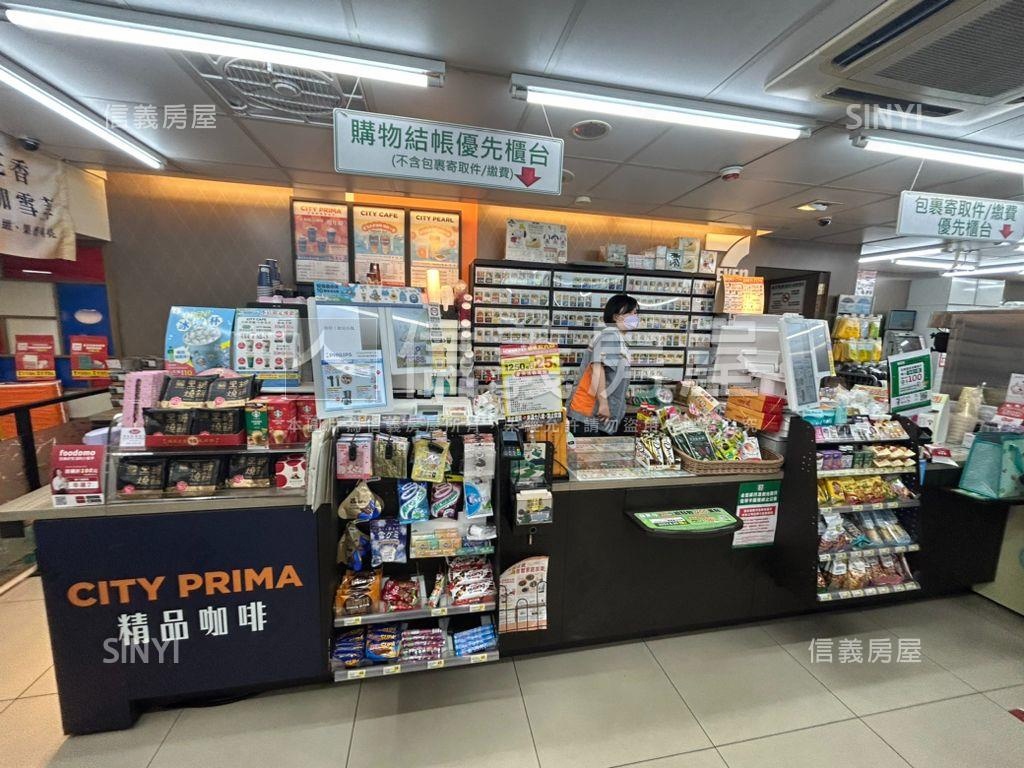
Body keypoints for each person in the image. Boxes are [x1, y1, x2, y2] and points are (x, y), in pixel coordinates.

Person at [567, 293, 639, 435]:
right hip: (589, 413)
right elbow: (597, 368)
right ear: (616, 316)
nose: (635, 317)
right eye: (631, 313)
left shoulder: (618, 339)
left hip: (594, 414)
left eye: (636, 313)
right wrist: (604, 404)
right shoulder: (610, 335)